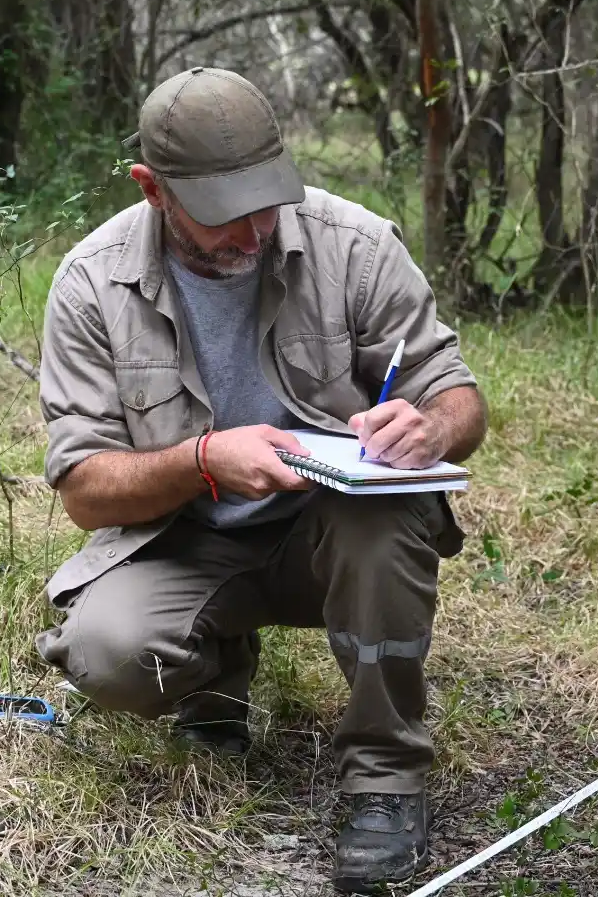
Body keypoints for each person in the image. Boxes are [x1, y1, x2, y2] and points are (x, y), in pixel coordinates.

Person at [33, 67, 487, 891]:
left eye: (266, 201)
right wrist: (202, 463)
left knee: (386, 523)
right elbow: (85, 491)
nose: (250, 232)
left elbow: (456, 394)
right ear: (151, 189)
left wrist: (431, 426)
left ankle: (385, 777)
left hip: (334, 536)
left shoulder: (355, 243)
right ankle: (216, 688)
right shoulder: (91, 282)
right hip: (186, 542)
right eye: (221, 214)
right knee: (109, 655)